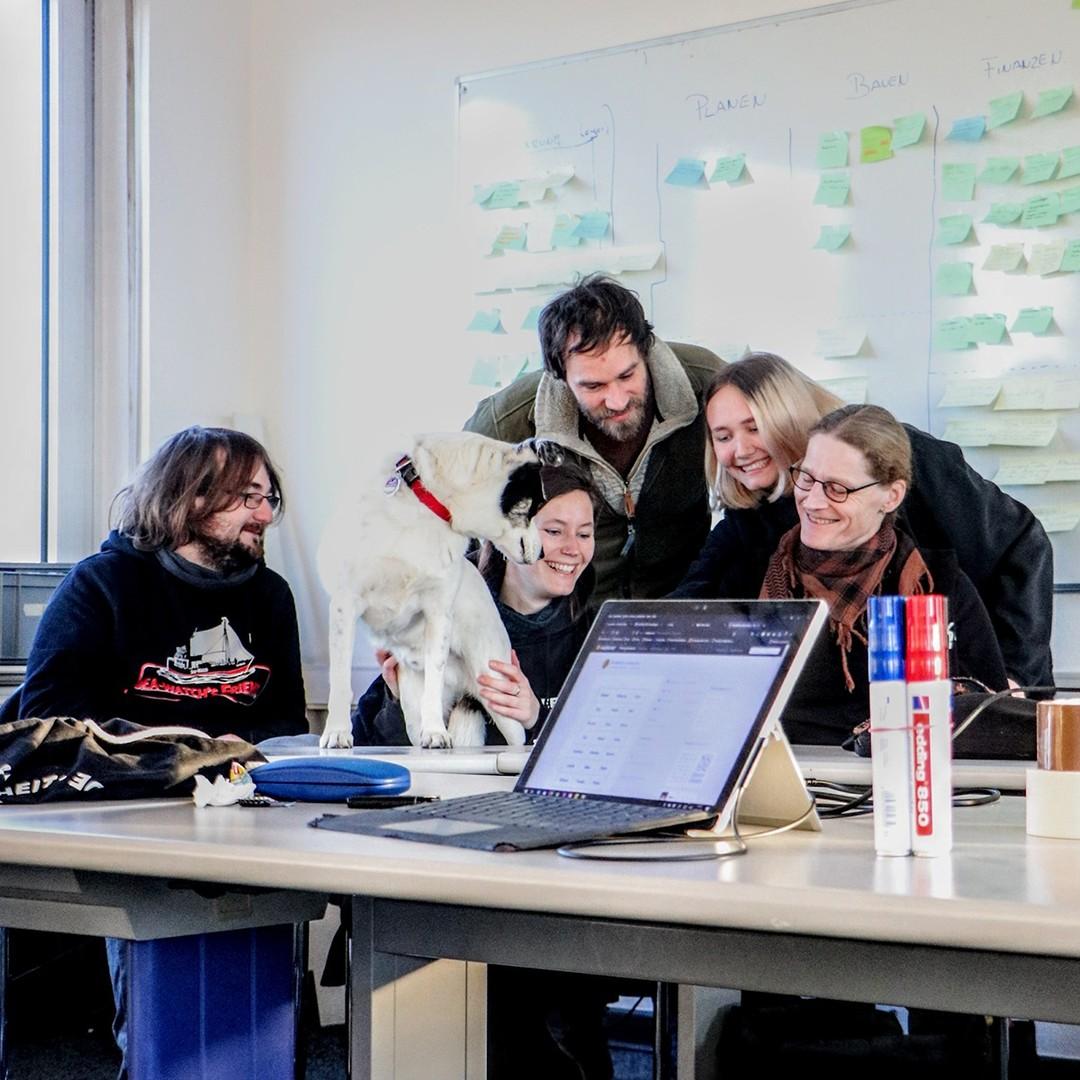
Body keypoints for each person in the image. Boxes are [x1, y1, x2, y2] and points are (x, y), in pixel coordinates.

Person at [673, 352, 1053, 690]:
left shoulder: (894, 456)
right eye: (723, 436)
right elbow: (690, 602)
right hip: (852, 725)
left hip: (970, 693)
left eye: (754, 428)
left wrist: (1015, 676)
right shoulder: (750, 518)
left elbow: (1021, 544)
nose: (740, 450)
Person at [15, 425, 308, 743]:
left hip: (228, 785)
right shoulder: (99, 585)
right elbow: (47, 720)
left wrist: (235, 744)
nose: (265, 514)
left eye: (268, 499)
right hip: (115, 788)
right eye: (250, 497)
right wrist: (186, 749)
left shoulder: (271, 595)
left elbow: (289, 724)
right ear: (191, 497)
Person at [464, 274, 725, 604]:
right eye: (593, 386)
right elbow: (427, 521)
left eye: (627, 376)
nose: (616, 400)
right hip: (560, 628)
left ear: (645, 350)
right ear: (560, 375)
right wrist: (410, 627)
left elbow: (796, 442)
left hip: (679, 614)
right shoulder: (505, 425)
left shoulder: (707, 383)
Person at [759, 404, 1007, 742]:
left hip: (907, 776)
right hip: (784, 777)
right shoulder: (764, 573)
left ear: (891, 497)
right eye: (806, 477)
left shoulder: (936, 584)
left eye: (837, 488)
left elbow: (988, 710)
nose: (812, 500)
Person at [352, 461, 599, 745]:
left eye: (584, 534)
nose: (572, 549)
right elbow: (363, 749)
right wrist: (396, 698)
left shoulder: (598, 638)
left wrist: (536, 718)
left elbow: (606, 754)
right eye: (554, 531)